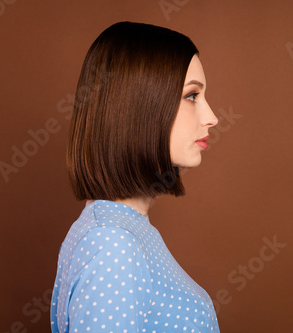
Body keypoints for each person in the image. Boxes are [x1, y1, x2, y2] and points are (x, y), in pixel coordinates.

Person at [50, 21, 220, 333]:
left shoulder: (121, 229)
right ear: (140, 104)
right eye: (192, 96)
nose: (211, 117)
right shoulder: (111, 243)